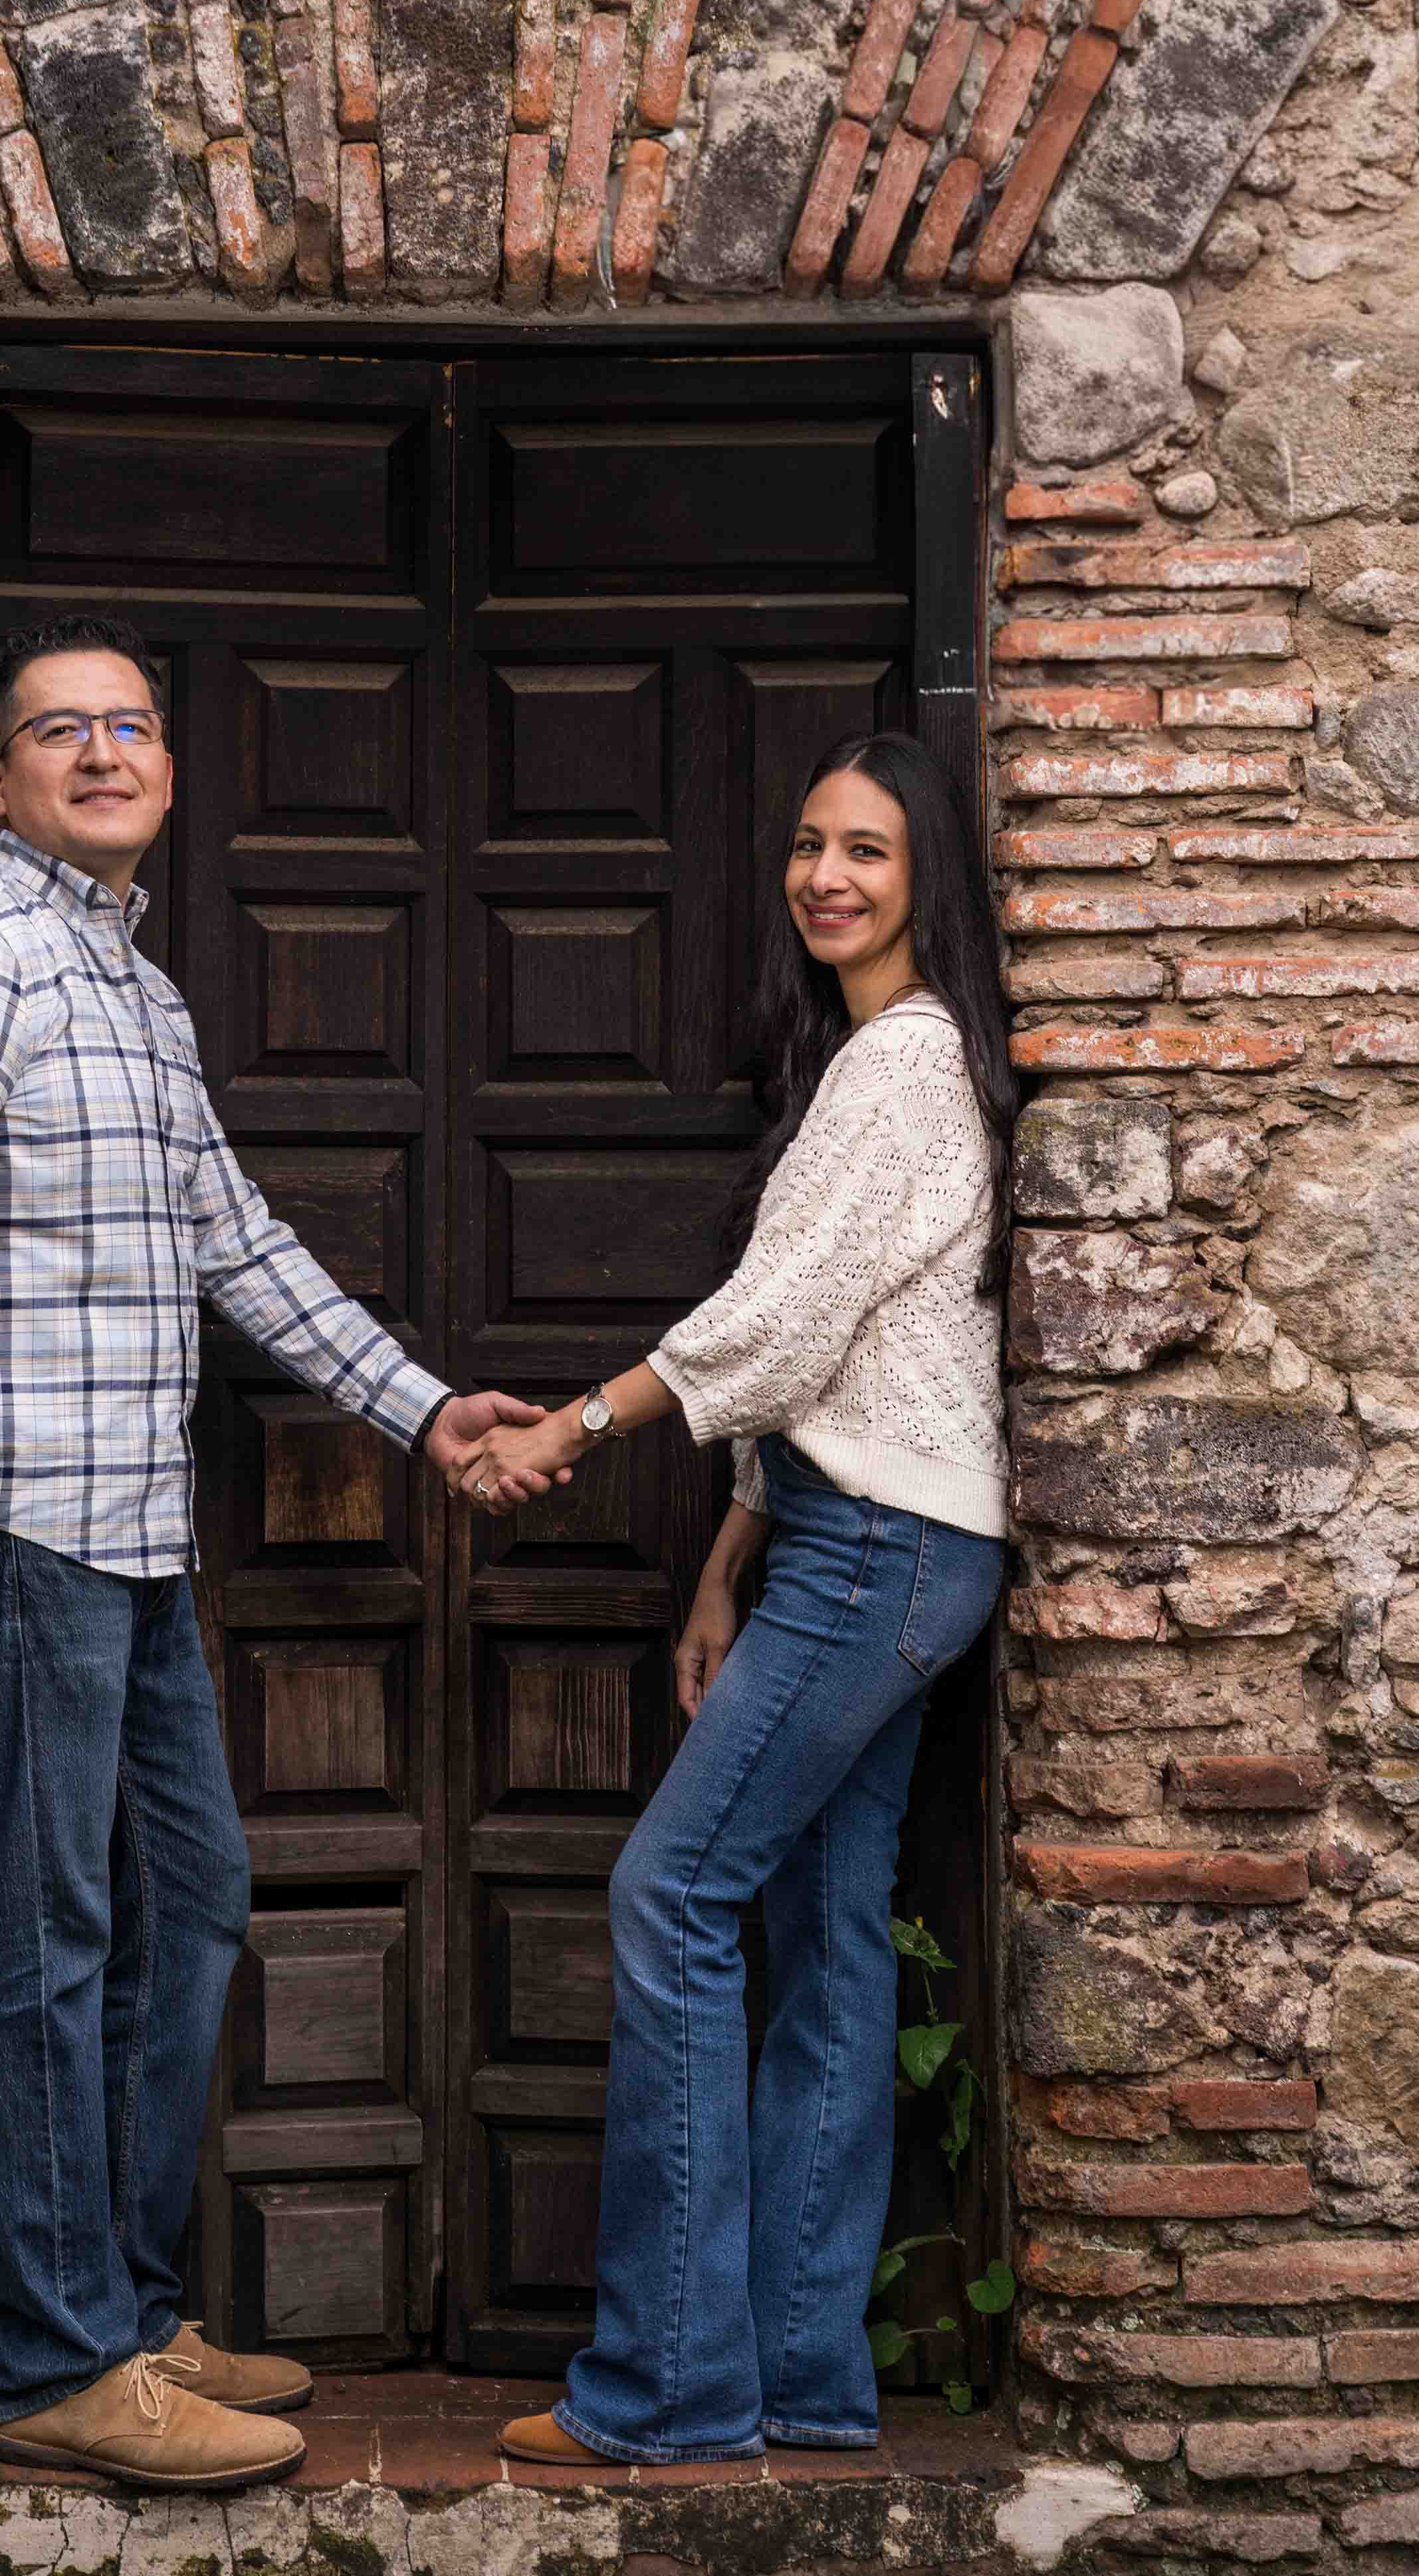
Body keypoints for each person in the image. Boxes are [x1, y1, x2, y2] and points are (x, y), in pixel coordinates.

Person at [0, 614, 538, 2493]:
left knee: (188, 1899)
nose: (106, 750)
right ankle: (61, 2362)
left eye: (131, 723)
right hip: (5, 1524)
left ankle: (127, 2317)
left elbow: (237, 1240)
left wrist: (421, 1409)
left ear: (169, 766)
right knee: (43, 1939)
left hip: (125, 1537)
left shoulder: (133, 988)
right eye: (63, 730)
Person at [456, 731, 1013, 2466]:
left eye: (867, 849)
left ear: (928, 876)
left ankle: (670, 2385)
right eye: (807, 844)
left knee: (672, 1895)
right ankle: (799, 2376)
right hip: (876, 1541)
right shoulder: (885, 1061)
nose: (824, 876)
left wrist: (572, 1426)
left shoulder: (901, 1066)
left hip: (877, 1553)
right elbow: (845, 1356)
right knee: (828, 1939)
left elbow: (774, 1327)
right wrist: (722, 1566)